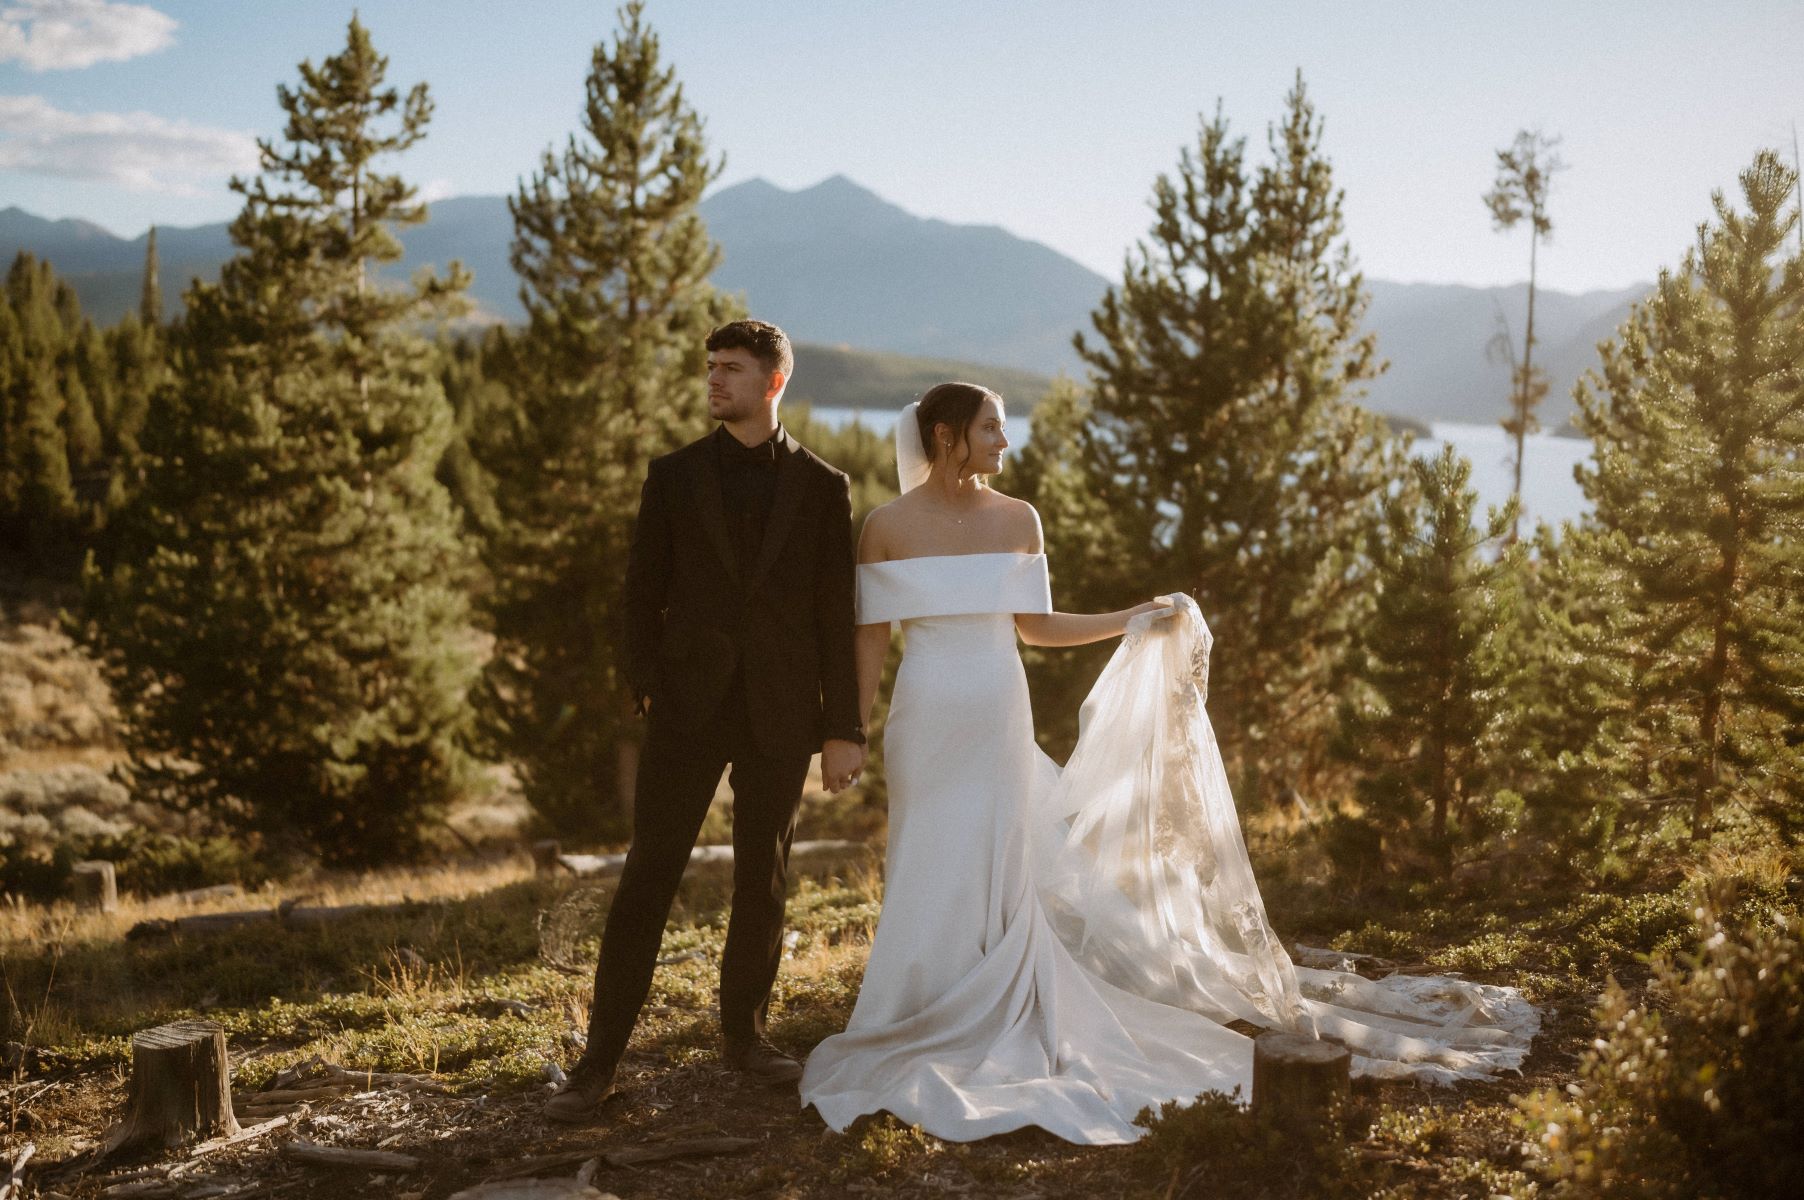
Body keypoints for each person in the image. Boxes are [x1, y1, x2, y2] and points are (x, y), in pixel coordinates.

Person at [797, 382, 1539, 1144]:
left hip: (996, 706)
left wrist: (1132, 619)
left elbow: (1037, 628)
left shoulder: (1019, 519)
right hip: (925, 714)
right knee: (928, 849)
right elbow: (871, 638)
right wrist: (848, 728)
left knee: (998, 850)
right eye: (991, 427)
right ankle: (916, 1000)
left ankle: (993, 989)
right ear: (948, 435)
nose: (1004, 441)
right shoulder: (885, 526)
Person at [547, 319, 867, 1123]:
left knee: (764, 876)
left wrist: (845, 727)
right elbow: (639, 590)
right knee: (647, 877)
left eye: (731, 368)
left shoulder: (825, 487)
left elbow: (838, 613)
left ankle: (746, 1038)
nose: (714, 380)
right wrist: (646, 681)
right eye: (711, 368)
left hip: (782, 712)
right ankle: (598, 1063)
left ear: (774, 381)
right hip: (688, 707)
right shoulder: (674, 475)